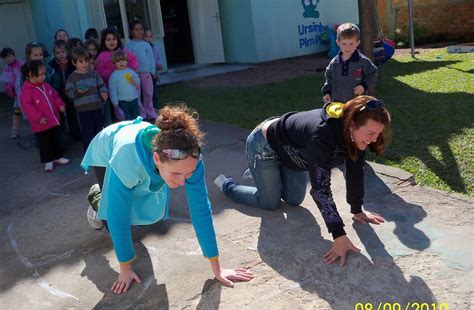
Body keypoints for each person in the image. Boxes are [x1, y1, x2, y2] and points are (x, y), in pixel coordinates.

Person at [81, 104, 254, 294]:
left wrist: (217, 268)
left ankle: (119, 190)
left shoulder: (190, 157)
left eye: (187, 174)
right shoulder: (125, 158)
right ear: (156, 159)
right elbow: (117, 214)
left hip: (140, 158)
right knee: (113, 218)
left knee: (140, 208)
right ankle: (98, 197)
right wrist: (125, 269)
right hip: (107, 150)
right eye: (176, 174)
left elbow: (201, 210)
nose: (182, 182)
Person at [214, 95, 392, 266]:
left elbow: (355, 172)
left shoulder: (357, 135)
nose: (374, 139)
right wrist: (339, 235)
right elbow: (321, 190)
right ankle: (229, 184)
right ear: (352, 125)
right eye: (370, 133)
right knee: (270, 202)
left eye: (378, 133)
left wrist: (357, 210)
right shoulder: (322, 135)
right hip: (265, 147)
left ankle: (262, 175)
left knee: (293, 200)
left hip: (293, 155)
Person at [19, 60, 69, 172]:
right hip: (40, 124)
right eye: (41, 74)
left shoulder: (46, 86)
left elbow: (55, 96)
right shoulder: (26, 92)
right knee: (44, 143)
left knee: (56, 139)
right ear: (31, 75)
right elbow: (28, 108)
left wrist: (60, 104)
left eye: (44, 73)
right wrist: (38, 118)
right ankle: (48, 161)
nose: (44, 76)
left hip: (53, 119)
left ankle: (58, 156)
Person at [321, 23, 378, 104]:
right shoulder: (334, 63)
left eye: (351, 43)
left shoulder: (362, 61)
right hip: (337, 103)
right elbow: (329, 79)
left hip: (356, 103)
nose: (347, 47)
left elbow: (373, 73)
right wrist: (327, 93)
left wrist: (363, 86)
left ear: (357, 43)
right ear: (338, 42)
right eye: (344, 43)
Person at [65, 47, 108, 151]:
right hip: (83, 110)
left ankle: (101, 150)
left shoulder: (93, 74)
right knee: (87, 132)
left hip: (96, 107)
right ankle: (90, 152)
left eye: (86, 61)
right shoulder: (72, 77)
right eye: (80, 62)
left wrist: (103, 92)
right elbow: (68, 92)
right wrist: (78, 92)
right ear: (74, 63)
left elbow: (101, 84)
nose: (84, 64)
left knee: (99, 129)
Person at [95, 27, 139, 125]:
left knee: (132, 110)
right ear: (103, 41)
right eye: (108, 40)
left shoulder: (124, 51)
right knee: (116, 111)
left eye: (114, 39)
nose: (111, 42)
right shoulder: (102, 56)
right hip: (110, 89)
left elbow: (134, 60)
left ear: (118, 40)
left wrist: (126, 70)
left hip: (126, 89)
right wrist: (113, 73)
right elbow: (98, 70)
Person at [49, 40, 82, 142]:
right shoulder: (52, 65)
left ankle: (76, 135)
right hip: (58, 95)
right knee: (60, 117)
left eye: (63, 52)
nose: (61, 55)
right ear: (54, 54)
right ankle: (61, 138)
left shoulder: (73, 63)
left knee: (72, 115)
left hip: (70, 94)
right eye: (58, 53)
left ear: (67, 52)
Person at [125, 20, 156, 122]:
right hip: (135, 75)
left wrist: (153, 72)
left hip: (146, 74)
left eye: (141, 29)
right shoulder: (129, 45)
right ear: (131, 31)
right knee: (137, 95)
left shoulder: (146, 45)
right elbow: (127, 60)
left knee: (148, 93)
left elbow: (151, 58)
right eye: (136, 29)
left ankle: (150, 113)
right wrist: (131, 72)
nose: (139, 31)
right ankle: (141, 114)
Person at [108, 49, 140, 120]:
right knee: (126, 119)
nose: (121, 62)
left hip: (134, 99)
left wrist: (135, 81)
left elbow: (138, 80)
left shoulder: (130, 71)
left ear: (127, 61)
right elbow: (112, 90)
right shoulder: (114, 75)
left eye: (123, 60)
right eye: (118, 61)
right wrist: (115, 102)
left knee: (136, 117)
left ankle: (137, 129)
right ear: (114, 63)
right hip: (122, 102)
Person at [0, 47, 24, 139]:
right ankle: (15, 130)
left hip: (27, 92)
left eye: (10, 56)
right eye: (5, 57)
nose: (8, 59)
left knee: (31, 112)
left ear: (14, 55)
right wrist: (10, 89)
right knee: (17, 112)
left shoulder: (21, 64)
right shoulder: (6, 69)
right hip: (17, 95)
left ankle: (37, 129)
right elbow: (6, 82)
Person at [144, 27, 163, 108]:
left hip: (153, 74)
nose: (148, 38)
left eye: (150, 36)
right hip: (145, 74)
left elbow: (157, 59)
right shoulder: (142, 48)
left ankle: (155, 108)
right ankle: (147, 108)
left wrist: (158, 65)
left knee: (154, 92)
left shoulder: (155, 48)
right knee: (146, 92)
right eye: (146, 36)